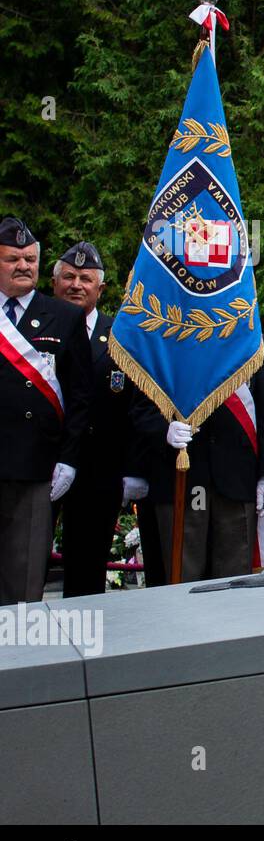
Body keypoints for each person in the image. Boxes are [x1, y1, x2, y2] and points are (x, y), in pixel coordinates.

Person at [0, 217, 93, 604]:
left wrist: (69, 459)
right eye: (12, 259)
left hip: (36, 467)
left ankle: (20, 662)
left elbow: (81, 397)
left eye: (30, 258)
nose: (24, 266)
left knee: (22, 585)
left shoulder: (64, 316)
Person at [133, 349, 264, 584]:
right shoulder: (163, 327)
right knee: (183, 578)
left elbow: (263, 410)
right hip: (184, 478)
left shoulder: (247, 328)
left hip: (236, 478)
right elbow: (141, 403)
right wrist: (164, 430)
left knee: (235, 579)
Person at [49, 242, 141, 596]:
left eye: (85, 279)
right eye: (68, 277)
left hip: (99, 469)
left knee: (87, 570)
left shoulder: (119, 336)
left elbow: (134, 406)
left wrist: (132, 468)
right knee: (23, 559)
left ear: (100, 290)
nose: (76, 285)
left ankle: (83, 643)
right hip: (43, 461)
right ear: (54, 283)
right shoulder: (33, 329)